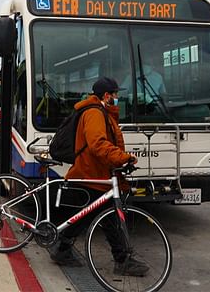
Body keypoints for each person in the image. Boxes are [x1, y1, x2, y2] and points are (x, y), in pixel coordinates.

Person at [49, 77, 149, 277]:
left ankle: (63, 250)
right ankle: (122, 260)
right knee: (106, 217)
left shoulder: (102, 112)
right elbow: (97, 144)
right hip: (91, 173)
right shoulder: (94, 113)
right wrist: (122, 158)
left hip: (95, 173)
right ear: (106, 95)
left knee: (86, 216)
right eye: (115, 94)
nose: (117, 98)